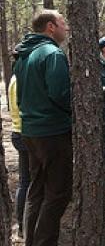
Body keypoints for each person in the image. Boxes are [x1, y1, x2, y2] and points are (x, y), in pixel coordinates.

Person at [13, 9, 72, 245]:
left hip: (29, 132)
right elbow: (61, 94)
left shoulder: (23, 55)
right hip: (53, 132)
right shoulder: (52, 54)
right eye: (62, 22)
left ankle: (32, 240)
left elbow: (19, 97)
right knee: (58, 193)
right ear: (50, 27)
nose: (65, 27)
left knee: (36, 191)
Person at [8, 49, 30, 238]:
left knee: (26, 182)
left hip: (20, 132)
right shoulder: (20, 80)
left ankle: (24, 226)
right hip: (24, 133)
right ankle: (24, 226)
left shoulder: (16, 78)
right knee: (27, 182)